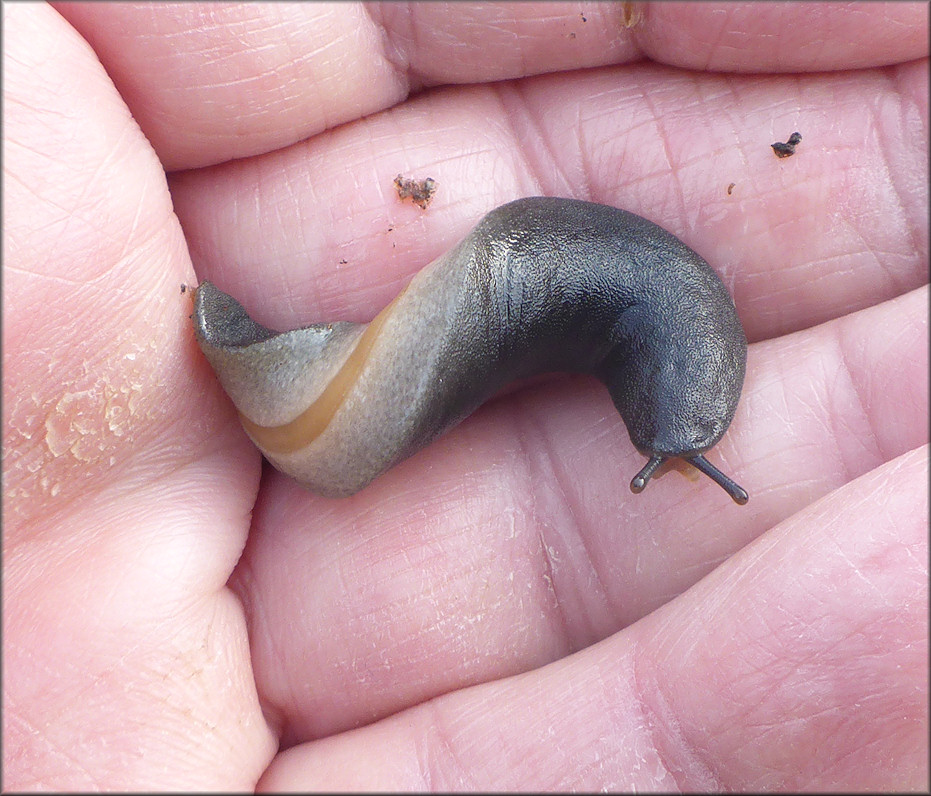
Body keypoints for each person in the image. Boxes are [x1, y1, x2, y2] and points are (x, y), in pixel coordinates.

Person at [3, 2, 927, 790]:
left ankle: (310, 378)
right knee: (342, 420)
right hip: (366, 388)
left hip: (428, 349)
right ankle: (294, 376)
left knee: (380, 398)